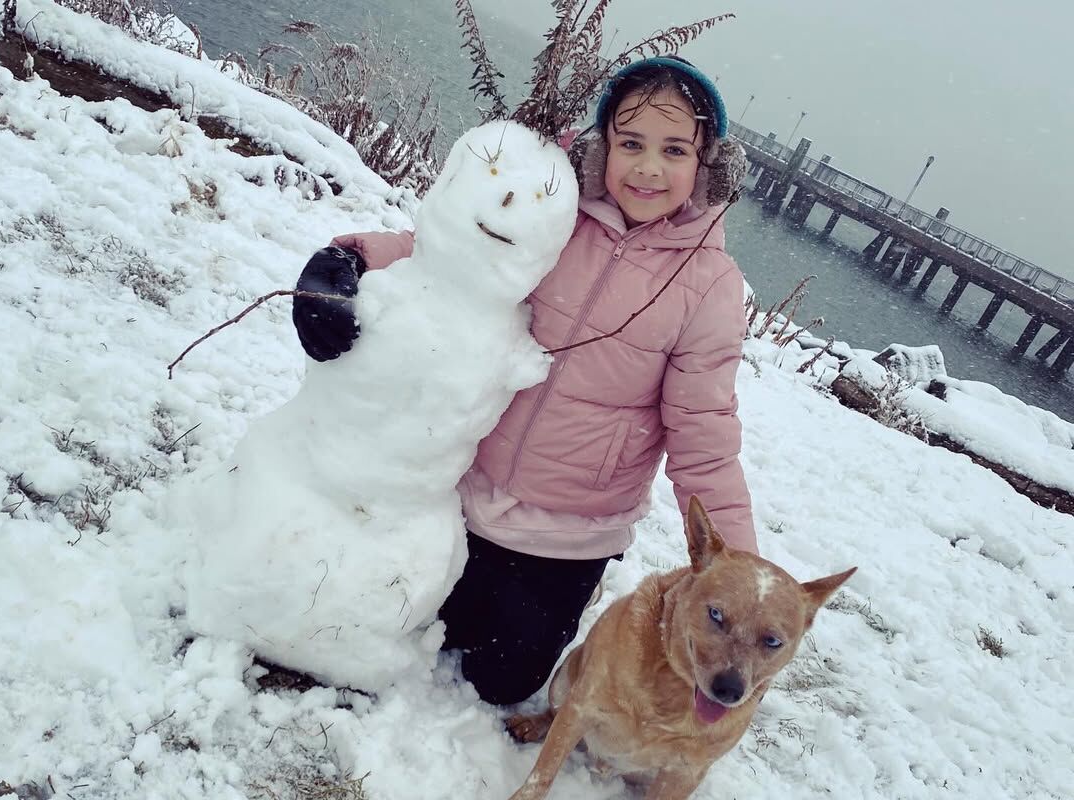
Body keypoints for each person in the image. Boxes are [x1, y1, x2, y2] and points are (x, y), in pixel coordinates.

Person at [291, 56, 757, 706]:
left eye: (674, 150)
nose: (649, 168)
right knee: (398, 623)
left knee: (500, 684)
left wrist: (737, 568)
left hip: (569, 535)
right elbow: (453, 255)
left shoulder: (709, 285)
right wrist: (350, 258)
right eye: (631, 143)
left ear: (707, 164)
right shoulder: (558, 214)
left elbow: (704, 437)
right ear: (602, 147)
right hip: (461, 490)